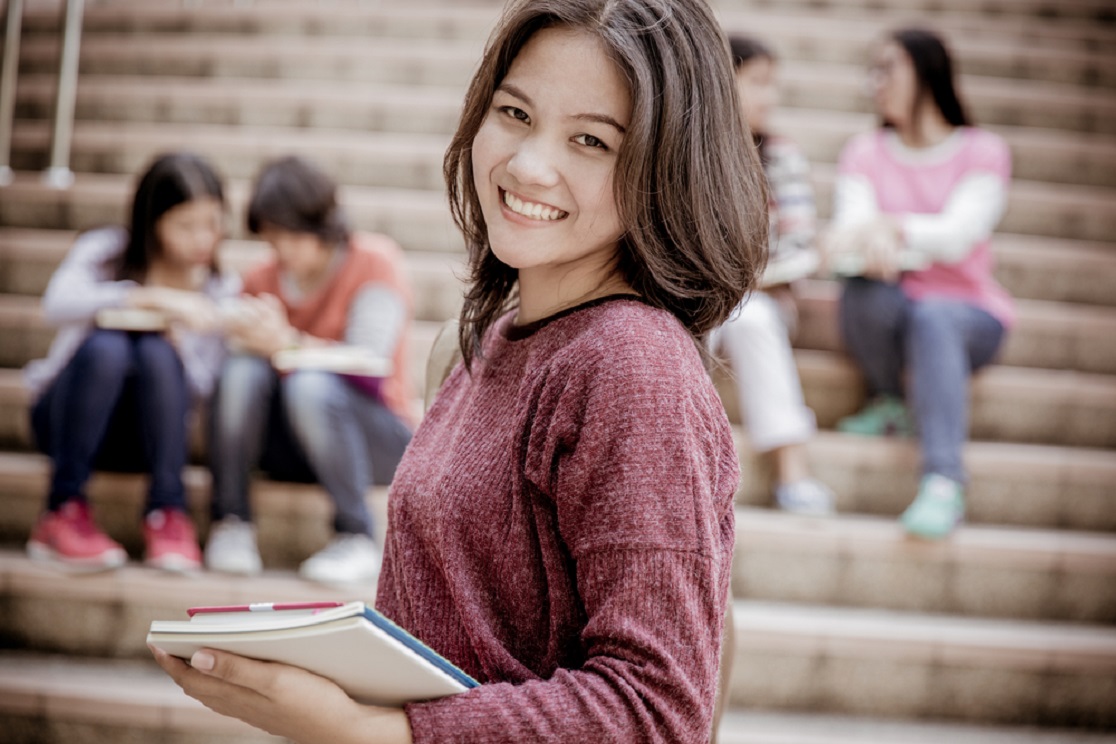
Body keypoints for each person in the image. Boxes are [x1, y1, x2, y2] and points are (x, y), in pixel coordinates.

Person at [152, 1, 768, 742]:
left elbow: (655, 712)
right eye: (514, 112)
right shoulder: (495, 337)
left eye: (590, 140)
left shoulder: (630, 367)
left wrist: (373, 733)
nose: (529, 164)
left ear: (665, 166)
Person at [825, 27, 1013, 539]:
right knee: (863, 290)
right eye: (872, 70)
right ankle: (891, 401)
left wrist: (891, 227)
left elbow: (958, 236)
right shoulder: (866, 151)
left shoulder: (983, 151)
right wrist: (870, 237)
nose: (875, 82)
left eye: (888, 69)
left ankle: (943, 481)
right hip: (893, 307)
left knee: (935, 316)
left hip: (970, 312)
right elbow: (846, 231)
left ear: (928, 72)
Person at [203, 155, 414, 584]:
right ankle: (231, 522)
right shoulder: (261, 279)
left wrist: (287, 344)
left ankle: (355, 535)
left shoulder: (374, 262)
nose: (282, 252)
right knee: (242, 370)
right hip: (290, 441)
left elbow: (370, 359)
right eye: (272, 239)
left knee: (310, 385)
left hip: (373, 433)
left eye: (291, 237)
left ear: (320, 224)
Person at [24, 152, 237, 572]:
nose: (202, 239)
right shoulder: (106, 251)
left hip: (149, 436)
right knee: (109, 345)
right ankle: (62, 510)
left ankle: (168, 514)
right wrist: (144, 296)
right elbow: (57, 304)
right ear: (152, 222)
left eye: (212, 223)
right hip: (68, 418)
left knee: (158, 350)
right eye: (185, 225)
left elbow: (205, 388)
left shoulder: (220, 288)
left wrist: (180, 343)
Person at [710, 34, 836, 516]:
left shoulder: (780, 156)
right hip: (695, 296)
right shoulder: (682, 149)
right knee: (688, 320)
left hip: (759, 298)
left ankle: (792, 472)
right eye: (758, 82)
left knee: (750, 317)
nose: (770, 97)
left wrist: (734, 276)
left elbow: (800, 247)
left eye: (773, 84)